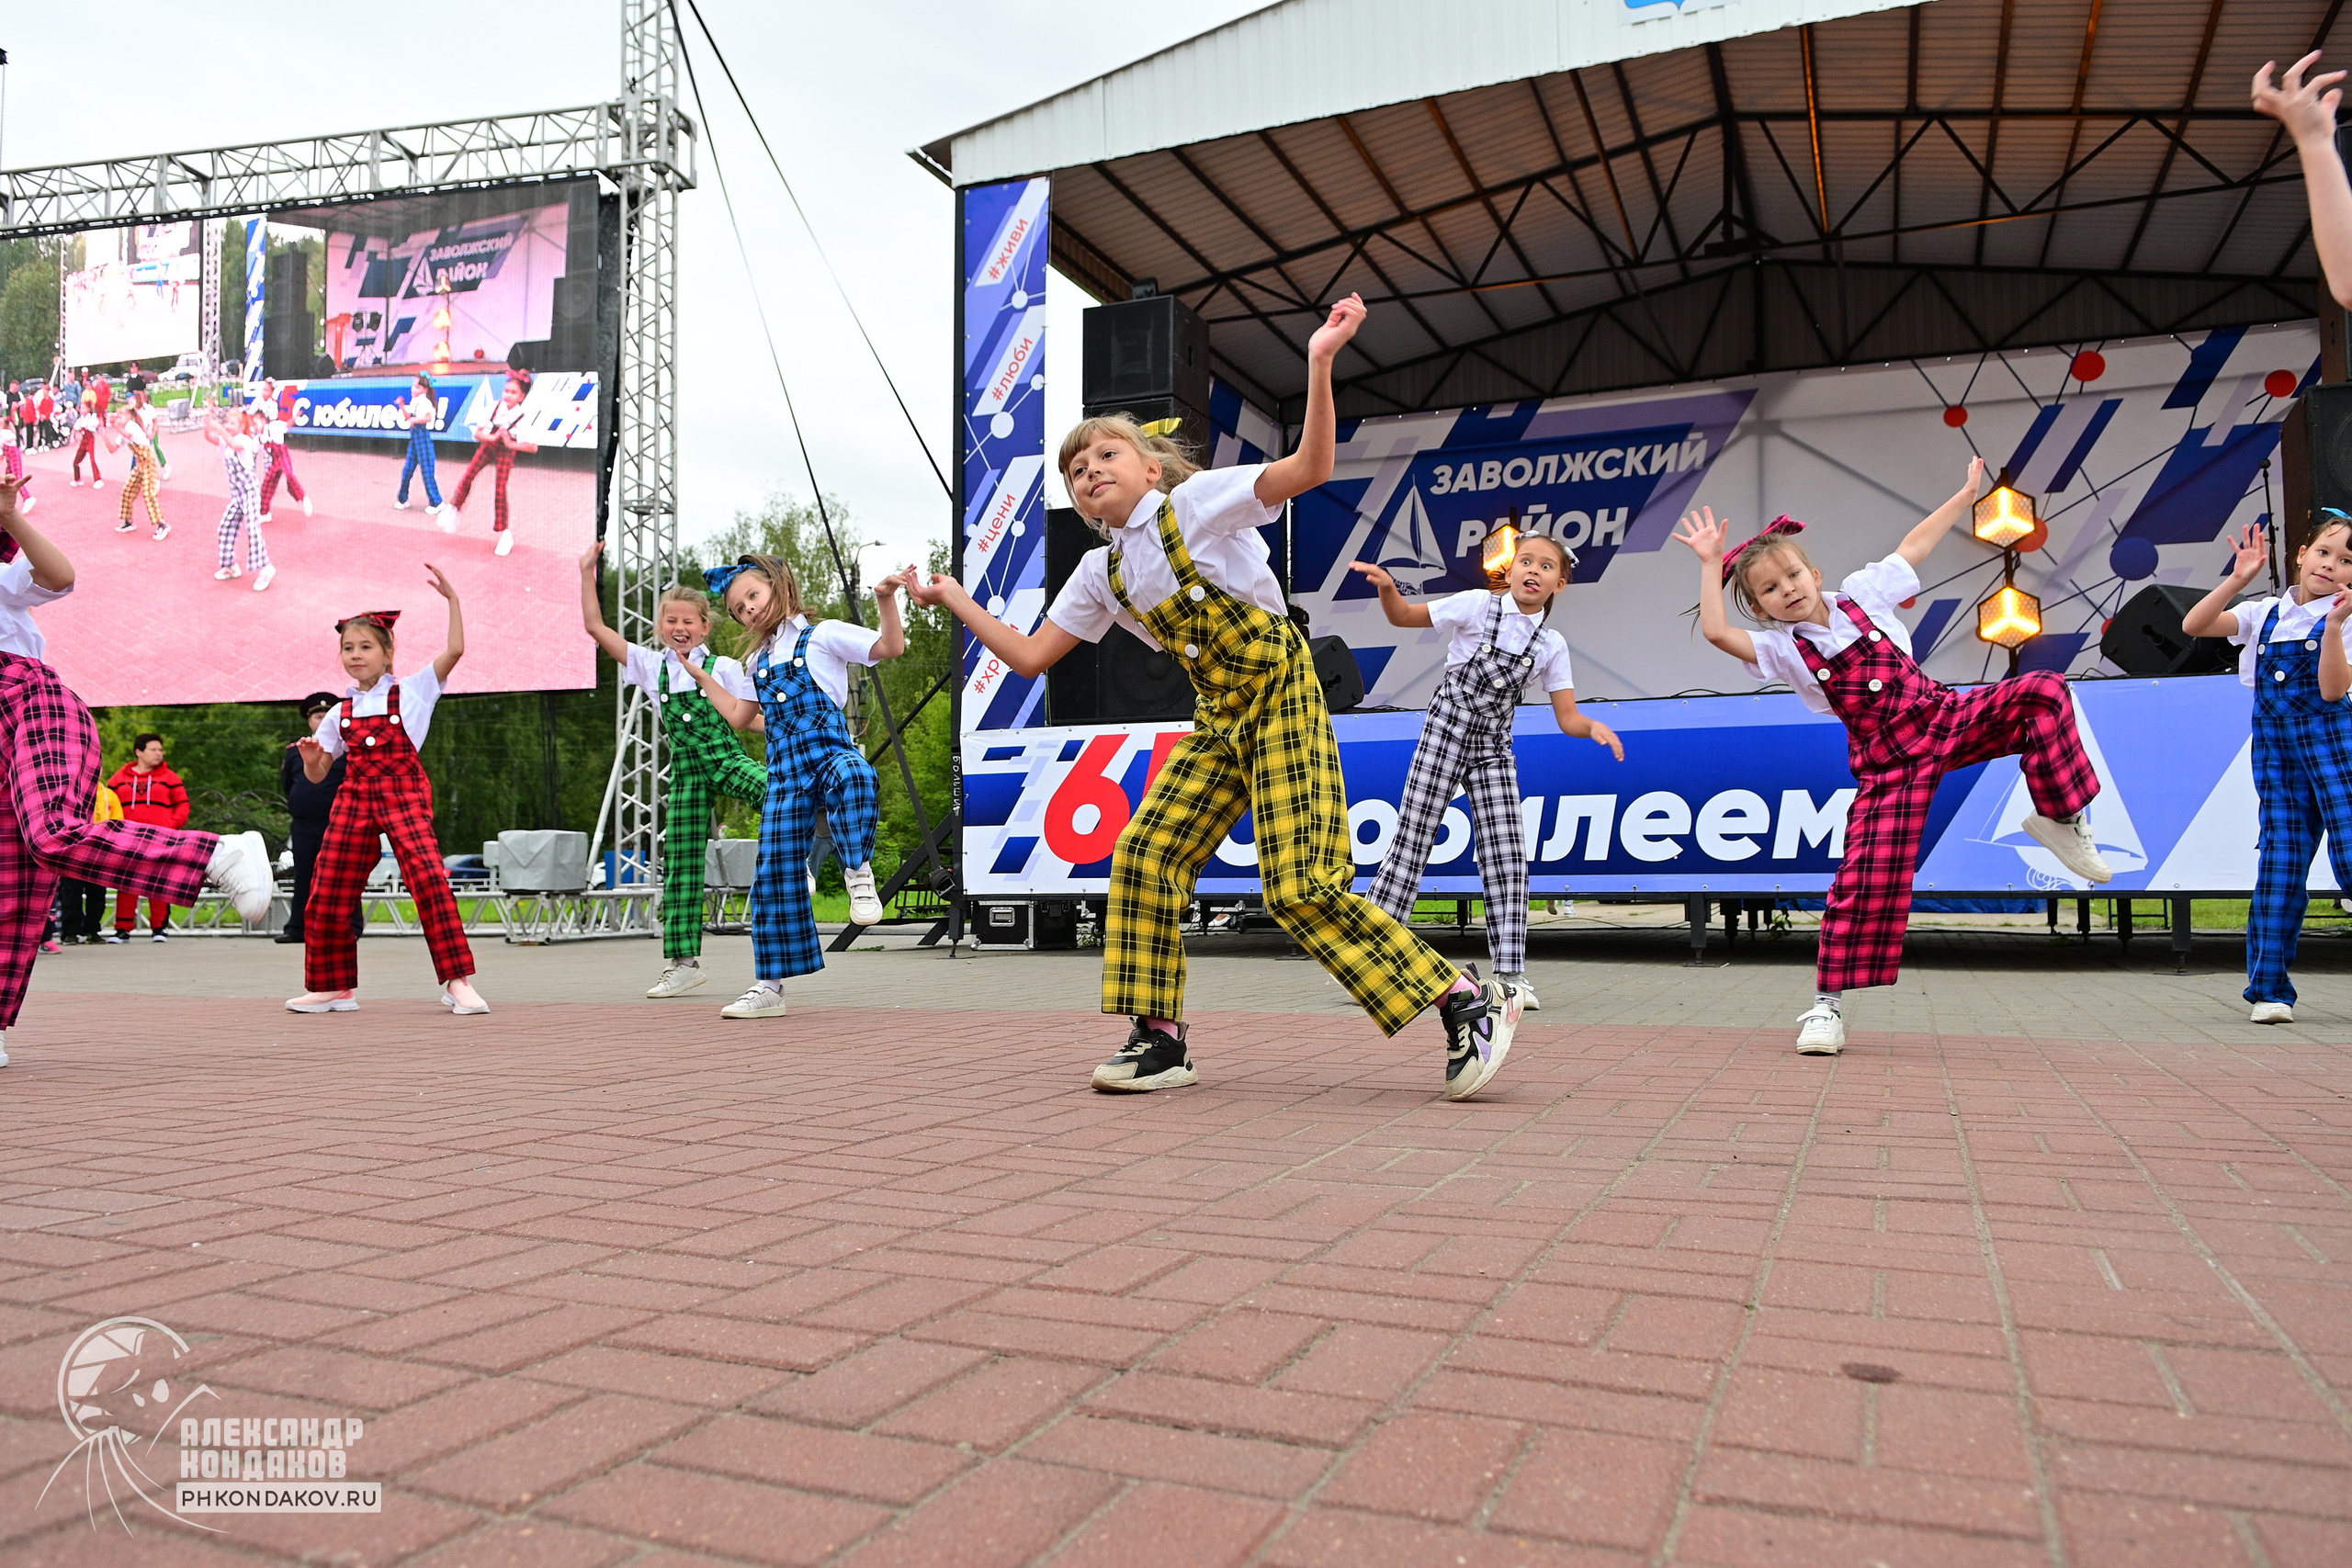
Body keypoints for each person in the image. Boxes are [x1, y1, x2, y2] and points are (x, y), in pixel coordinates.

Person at [908, 296, 1521, 1100]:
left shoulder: (1196, 506)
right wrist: (954, 597)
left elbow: (1310, 469)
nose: (1089, 471)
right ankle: (1160, 1038)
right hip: (1218, 718)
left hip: (1280, 689)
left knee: (1302, 887)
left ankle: (1469, 998)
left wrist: (1320, 363)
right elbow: (1027, 658)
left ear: (1150, 468)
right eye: (1076, 472)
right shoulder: (1102, 573)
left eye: (1104, 456)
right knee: (1145, 855)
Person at [1674, 460, 2112, 1056]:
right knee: (1862, 880)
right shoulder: (1782, 650)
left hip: (1943, 718)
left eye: (1793, 575)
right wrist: (1708, 565)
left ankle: (2060, 817)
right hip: (1887, 766)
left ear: (1813, 570)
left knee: (2044, 692)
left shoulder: (1863, 593)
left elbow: (1915, 544)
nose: (1788, 590)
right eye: (1770, 590)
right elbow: (1717, 634)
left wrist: (1962, 497)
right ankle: (1826, 1009)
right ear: (1762, 607)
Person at [0, 475, 272, 1064]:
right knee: (6, 880)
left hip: (26, 702)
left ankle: (218, 854)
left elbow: (60, 576)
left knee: (52, 832)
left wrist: (10, 515)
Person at [1351, 534, 1623, 1013]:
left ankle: (1510, 976)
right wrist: (1388, 589)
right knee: (1412, 842)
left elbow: (1567, 717)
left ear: (1560, 583)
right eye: (1526, 562)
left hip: (1493, 746)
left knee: (1507, 852)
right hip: (1445, 729)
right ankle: (1369, 964)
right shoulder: (1477, 605)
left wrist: (1592, 728)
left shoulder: (1551, 644)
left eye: (1545, 567)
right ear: (1511, 569)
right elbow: (1404, 617)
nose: (1533, 571)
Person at [683, 555, 909, 1019]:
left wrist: (885, 598)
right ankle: (769, 987)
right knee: (771, 878)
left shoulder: (822, 635)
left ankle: (857, 870)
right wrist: (704, 680)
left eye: (753, 597)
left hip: (828, 752)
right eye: (740, 609)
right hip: (785, 771)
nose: (749, 610)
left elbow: (891, 647)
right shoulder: (757, 660)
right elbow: (744, 720)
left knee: (856, 777)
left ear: (777, 586)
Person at [287, 572, 489, 1016]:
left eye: (365, 647)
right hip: (353, 798)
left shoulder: (415, 690)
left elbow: (455, 650)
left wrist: (453, 598)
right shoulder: (340, 710)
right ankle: (333, 988)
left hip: (403, 795)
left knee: (430, 882)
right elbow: (321, 775)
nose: (356, 656)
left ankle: (458, 982)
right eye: (348, 648)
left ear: (388, 652)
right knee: (327, 889)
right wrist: (309, 757)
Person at [579, 544, 769, 998]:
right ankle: (684, 963)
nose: (679, 628)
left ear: (705, 627)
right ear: (660, 627)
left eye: (688, 621)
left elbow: (752, 717)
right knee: (681, 865)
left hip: (724, 758)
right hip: (685, 773)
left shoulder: (723, 666)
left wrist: (792, 728)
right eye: (671, 621)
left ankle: (799, 856)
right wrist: (587, 573)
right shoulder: (649, 666)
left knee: (775, 788)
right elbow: (594, 626)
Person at [2181, 518, 2352, 1021]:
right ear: (2301, 554)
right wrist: (2238, 579)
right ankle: (2270, 991)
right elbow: (2195, 626)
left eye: (2347, 562)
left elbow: (2330, 692)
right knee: (2280, 866)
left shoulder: (2347, 618)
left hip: (2336, 748)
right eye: (2325, 552)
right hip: (2277, 755)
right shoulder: (2265, 612)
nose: (2332, 566)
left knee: (2350, 848)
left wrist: (2337, 626)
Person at [277, 691, 355, 946]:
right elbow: (288, 784)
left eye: (327, 716)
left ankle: (351, 927)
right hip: (304, 825)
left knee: (344, 875)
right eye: (317, 716)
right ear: (309, 721)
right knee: (304, 876)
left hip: (339, 822)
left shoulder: (348, 750)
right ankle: (297, 928)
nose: (322, 721)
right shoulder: (295, 752)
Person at [107, 734, 194, 942]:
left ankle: (159, 928)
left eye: (160, 750)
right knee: (126, 883)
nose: (159, 754)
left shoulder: (170, 777)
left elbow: (183, 805)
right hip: (128, 838)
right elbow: (108, 803)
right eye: (153, 750)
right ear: (139, 751)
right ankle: (122, 929)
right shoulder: (118, 779)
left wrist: (171, 825)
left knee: (159, 882)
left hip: (160, 838)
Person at [449, 370, 539, 557]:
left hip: (507, 449)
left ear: (521, 396)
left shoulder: (522, 417)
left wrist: (510, 443)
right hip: (489, 444)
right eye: (506, 390)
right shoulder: (494, 407)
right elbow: (478, 433)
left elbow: (533, 447)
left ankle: (504, 533)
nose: (507, 395)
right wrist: (492, 437)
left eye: (513, 392)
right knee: (469, 474)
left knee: (500, 489)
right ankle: (454, 509)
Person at [201, 405, 273, 590]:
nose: (228, 426)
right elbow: (209, 437)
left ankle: (265, 568)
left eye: (232, 423)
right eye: (227, 422)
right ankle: (230, 566)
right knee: (225, 527)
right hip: (238, 495)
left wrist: (220, 429)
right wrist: (208, 422)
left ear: (241, 427)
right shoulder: (227, 440)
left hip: (250, 493)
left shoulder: (244, 440)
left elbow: (233, 444)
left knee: (252, 529)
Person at [56, 779, 120, 946]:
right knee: (71, 892)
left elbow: (118, 823)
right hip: (73, 851)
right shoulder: (67, 793)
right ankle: (70, 932)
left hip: (99, 852)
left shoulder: (108, 795)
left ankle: (93, 929)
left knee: (97, 894)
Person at [108, 397, 167, 541]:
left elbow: (127, 435)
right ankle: (128, 521)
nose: (119, 417)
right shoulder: (123, 430)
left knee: (148, 494)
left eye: (121, 415)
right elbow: (112, 449)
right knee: (127, 490)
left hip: (148, 461)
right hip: (140, 464)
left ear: (129, 416)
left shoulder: (131, 427)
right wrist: (104, 434)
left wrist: (114, 426)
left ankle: (162, 525)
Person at [394, 375, 449, 518]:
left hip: (422, 436)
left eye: (417, 387)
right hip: (414, 437)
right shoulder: (415, 400)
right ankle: (402, 499)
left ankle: (437, 502)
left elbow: (428, 418)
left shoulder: (425, 402)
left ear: (424, 389)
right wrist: (401, 405)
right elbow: (409, 416)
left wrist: (415, 420)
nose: (413, 389)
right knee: (407, 470)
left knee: (427, 471)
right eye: (413, 386)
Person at [257, 383, 311, 523]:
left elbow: (287, 424)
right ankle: (264, 513)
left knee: (290, 476)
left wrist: (295, 416)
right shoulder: (258, 436)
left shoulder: (273, 426)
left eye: (257, 422)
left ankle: (303, 498)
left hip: (281, 453)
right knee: (267, 484)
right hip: (273, 459)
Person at [67, 399, 104, 489]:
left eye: (83, 407)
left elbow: (99, 425)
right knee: (76, 461)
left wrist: (101, 428)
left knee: (92, 459)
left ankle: (98, 479)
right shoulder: (80, 419)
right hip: (83, 440)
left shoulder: (92, 418)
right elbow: (74, 429)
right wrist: (72, 437)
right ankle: (77, 479)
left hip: (90, 439)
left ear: (88, 409)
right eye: (81, 407)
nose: (81, 409)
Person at [0, 420, 30, 515]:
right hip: (10, 459)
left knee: (16, 478)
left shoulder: (4, 433)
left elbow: (10, 437)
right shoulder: (5, 433)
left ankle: (27, 497)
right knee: (7, 480)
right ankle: (6, 500)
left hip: (13, 457)